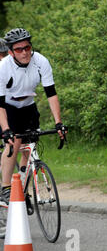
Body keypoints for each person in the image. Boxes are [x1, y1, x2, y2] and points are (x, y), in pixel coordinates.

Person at [0, 28, 67, 204]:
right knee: (13, 144)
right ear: (10, 52)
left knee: (31, 144)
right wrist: (6, 130)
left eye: (27, 47)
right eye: (19, 49)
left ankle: (22, 183)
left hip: (28, 106)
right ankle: (6, 187)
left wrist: (58, 122)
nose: (24, 52)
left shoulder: (41, 61)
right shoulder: (3, 67)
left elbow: (51, 93)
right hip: (7, 107)